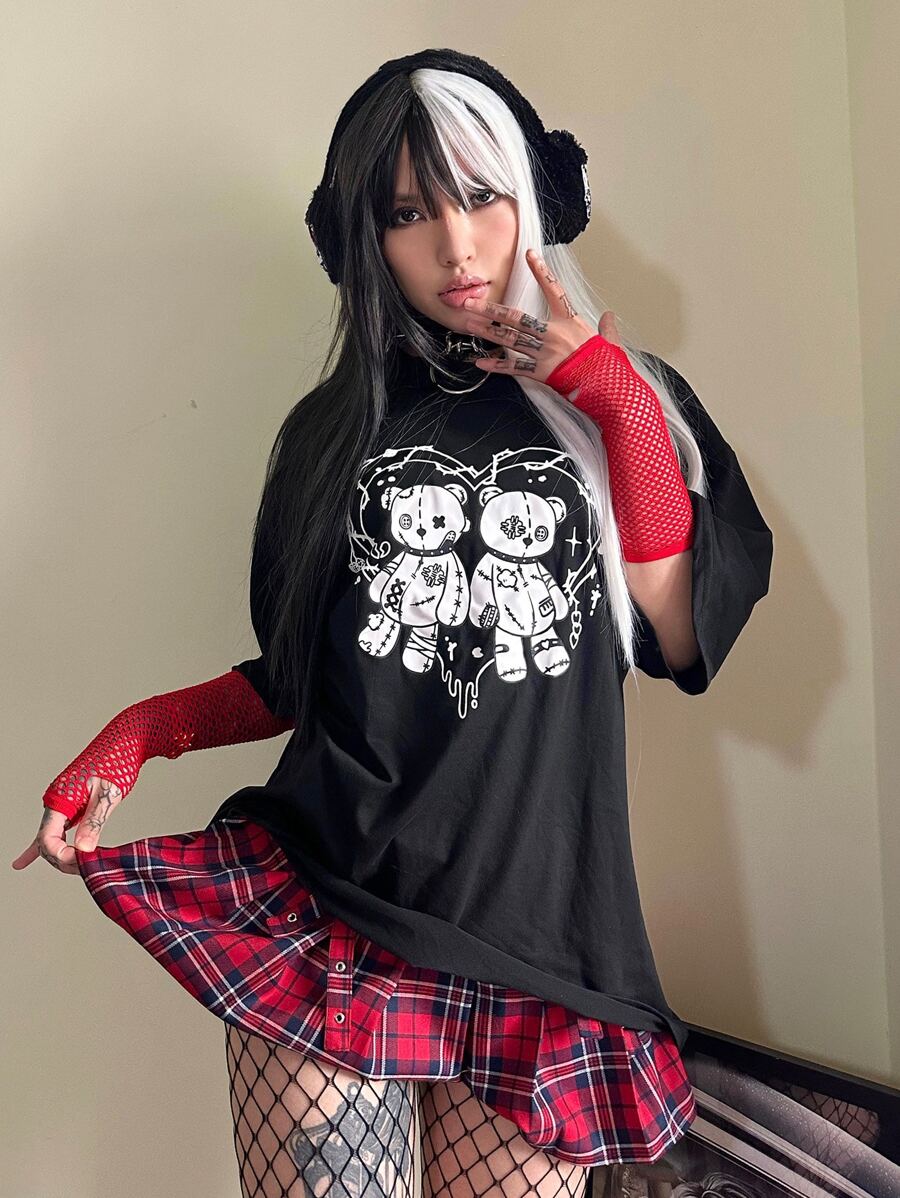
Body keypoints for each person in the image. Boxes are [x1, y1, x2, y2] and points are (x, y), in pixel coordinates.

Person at [14, 48, 773, 1197]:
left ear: (531, 196)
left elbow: (675, 629)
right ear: (368, 238)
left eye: (480, 195)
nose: (456, 245)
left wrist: (612, 394)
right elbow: (297, 682)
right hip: (330, 913)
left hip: (541, 944)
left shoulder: (628, 404)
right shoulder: (331, 431)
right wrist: (137, 734)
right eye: (410, 212)